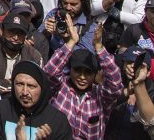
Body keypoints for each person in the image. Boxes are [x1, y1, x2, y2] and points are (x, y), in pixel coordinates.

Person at [43, 11, 124, 140]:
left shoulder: (100, 96)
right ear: (71, 70)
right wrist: (72, 42)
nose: (82, 77)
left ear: (95, 75)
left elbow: (115, 84)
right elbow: (49, 72)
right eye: (77, 71)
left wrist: (99, 48)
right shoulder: (60, 88)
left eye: (87, 73)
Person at [0, 60, 73, 140]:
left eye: (31, 86)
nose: (25, 92)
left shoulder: (57, 121)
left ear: (42, 88)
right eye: (20, 84)